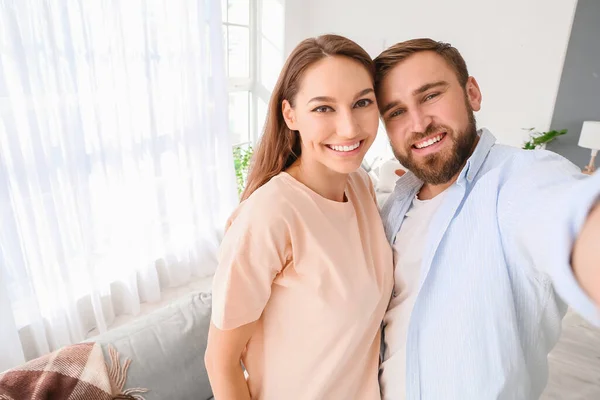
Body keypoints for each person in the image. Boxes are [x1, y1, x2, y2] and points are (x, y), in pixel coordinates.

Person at [374, 38, 600, 399]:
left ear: (472, 94)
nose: (418, 123)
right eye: (396, 112)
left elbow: (568, 217)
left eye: (430, 95)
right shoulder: (393, 205)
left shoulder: (521, 179)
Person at [204, 34, 394, 400]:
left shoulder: (360, 186)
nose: (350, 128)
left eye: (362, 102)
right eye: (323, 108)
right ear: (290, 114)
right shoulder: (270, 214)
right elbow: (220, 361)